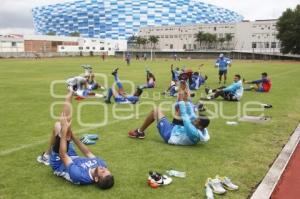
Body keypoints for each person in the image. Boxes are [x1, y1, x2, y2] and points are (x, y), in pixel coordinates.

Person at [37, 91, 114, 189]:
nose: (104, 168)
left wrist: (65, 132)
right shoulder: (101, 164)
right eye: (107, 170)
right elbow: (87, 152)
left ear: (96, 179)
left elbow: (63, 155)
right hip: (72, 156)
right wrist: (72, 135)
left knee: (60, 126)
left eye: (103, 172)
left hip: (59, 162)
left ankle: (70, 93)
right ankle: (46, 154)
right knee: (60, 126)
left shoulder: (79, 176)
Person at [128, 82, 210, 145]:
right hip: (178, 130)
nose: (195, 120)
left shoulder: (193, 132)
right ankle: (183, 94)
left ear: (200, 126)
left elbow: (185, 117)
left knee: (156, 110)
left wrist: (181, 100)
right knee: (182, 109)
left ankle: (139, 132)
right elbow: (191, 114)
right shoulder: (201, 128)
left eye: (196, 121)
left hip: (170, 135)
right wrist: (185, 96)